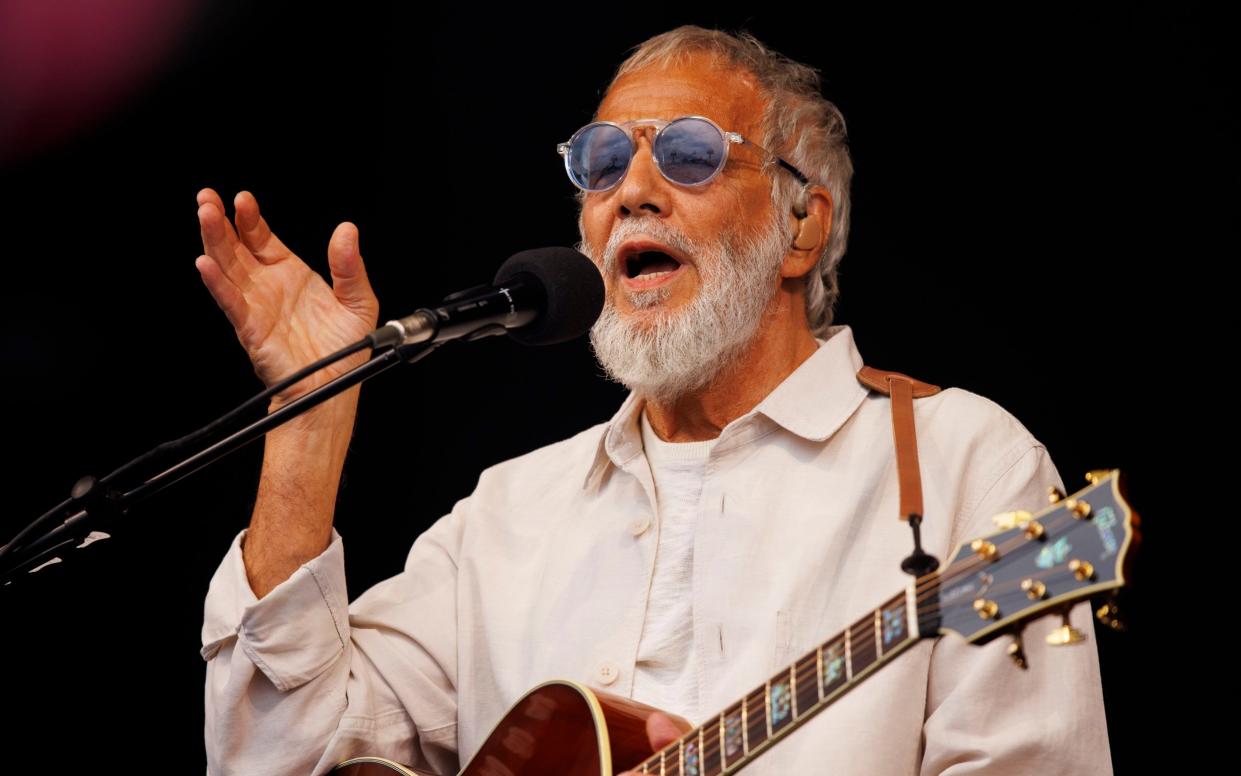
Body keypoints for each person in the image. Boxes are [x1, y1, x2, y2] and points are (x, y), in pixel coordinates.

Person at [198, 25, 1112, 776]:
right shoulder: (506, 517)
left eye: (688, 153)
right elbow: (286, 755)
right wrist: (310, 422)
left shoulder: (960, 463)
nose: (631, 192)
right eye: (599, 164)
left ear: (802, 224)